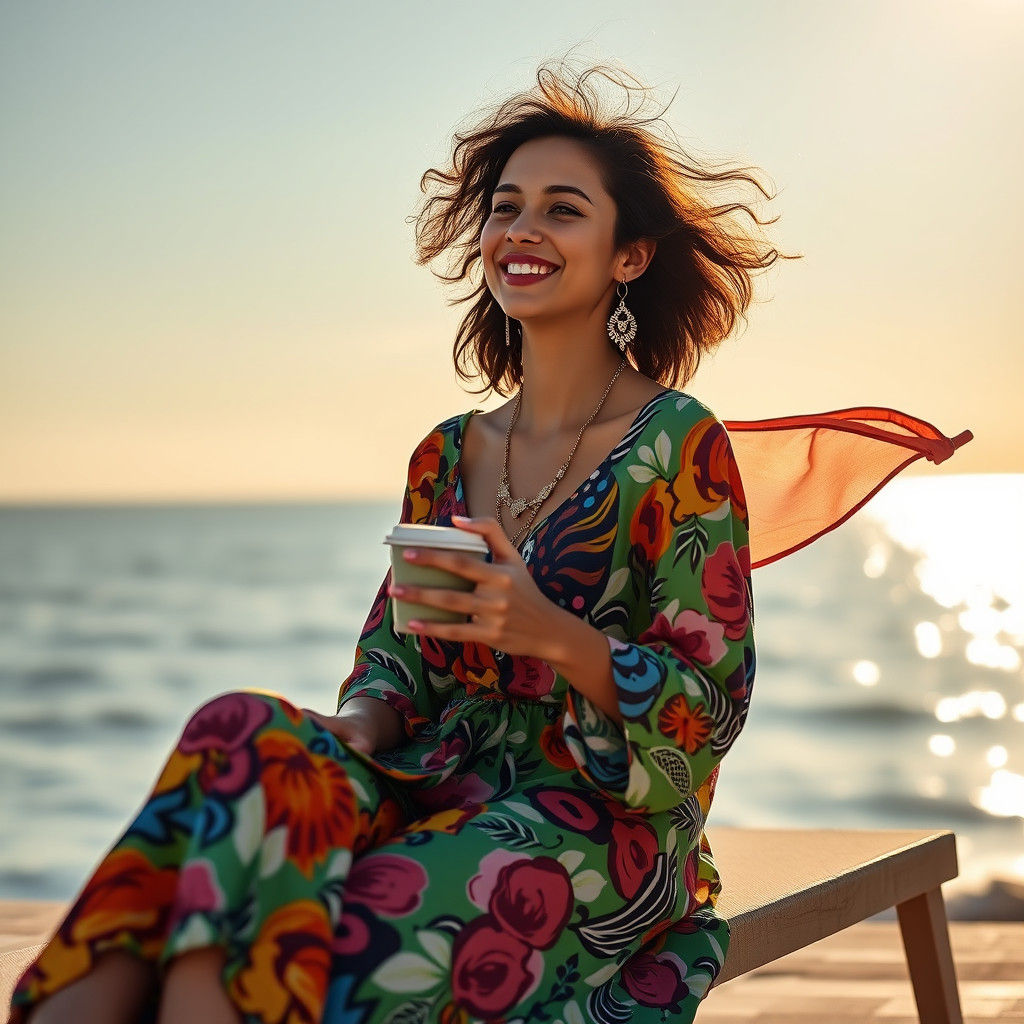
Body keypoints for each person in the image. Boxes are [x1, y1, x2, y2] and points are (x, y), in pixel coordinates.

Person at [10, 60, 787, 1024]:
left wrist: (550, 632)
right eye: (506, 207)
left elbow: (708, 714)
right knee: (239, 730)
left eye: (562, 209)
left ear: (629, 255)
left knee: (308, 943)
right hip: (431, 777)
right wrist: (358, 729)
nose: (522, 231)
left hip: (599, 828)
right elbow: (396, 659)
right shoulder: (449, 451)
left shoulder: (679, 444)